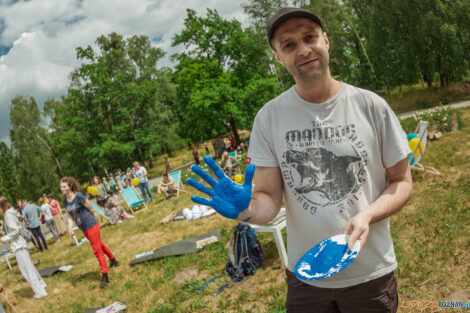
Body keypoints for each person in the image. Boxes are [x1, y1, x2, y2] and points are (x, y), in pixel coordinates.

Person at [187, 7, 413, 313]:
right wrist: (246, 210)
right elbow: (268, 200)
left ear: (326, 40)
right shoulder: (269, 118)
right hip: (307, 278)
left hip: (369, 271)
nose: (303, 50)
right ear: (279, 57)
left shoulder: (370, 105)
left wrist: (368, 215)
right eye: (289, 45)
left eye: (309, 37)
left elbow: (401, 181)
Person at [60, 176, 119, 288]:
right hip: (83, 228)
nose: (62, 189)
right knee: (99, 244)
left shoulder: (78, 196)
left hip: (91, 224)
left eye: (64, 186)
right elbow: (69, 215)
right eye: (61, 187)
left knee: (97, 250)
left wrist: (92, 219)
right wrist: (70, 228)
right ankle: (113, 260)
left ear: (70, 186)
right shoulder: (65, 201)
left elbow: (90, 207)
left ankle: (105, 276)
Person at [0, 197, 48, 299]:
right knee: (30, 267)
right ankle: (41, 284)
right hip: (19, 244)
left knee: (26, 271)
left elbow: (15, 231)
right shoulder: (11, 213)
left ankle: (40, 292)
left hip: (18, 246)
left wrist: (4, 238)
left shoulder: (8, 215)